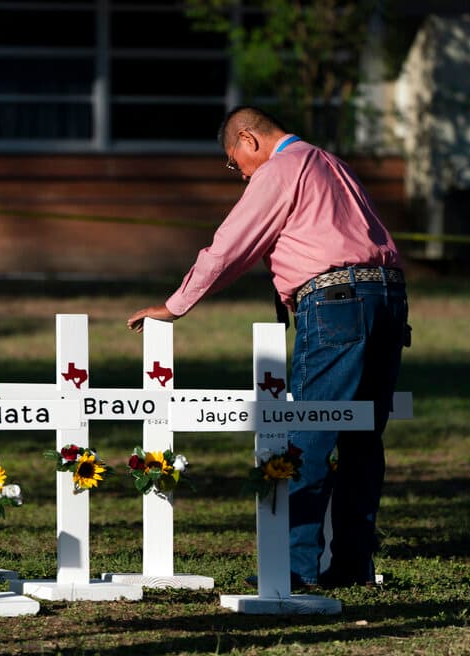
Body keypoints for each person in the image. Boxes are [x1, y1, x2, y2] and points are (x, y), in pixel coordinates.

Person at [127, 106, 409, 588]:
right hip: (387, 298)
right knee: (363, 439)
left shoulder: (279, 169)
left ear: (248, 138)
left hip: (336, 303)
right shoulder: (329, 162)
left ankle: (295, 573)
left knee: (308, 436)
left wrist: (175, 305)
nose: (240, 176)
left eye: (235, 164)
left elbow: (229, 246)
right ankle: (352, 565)